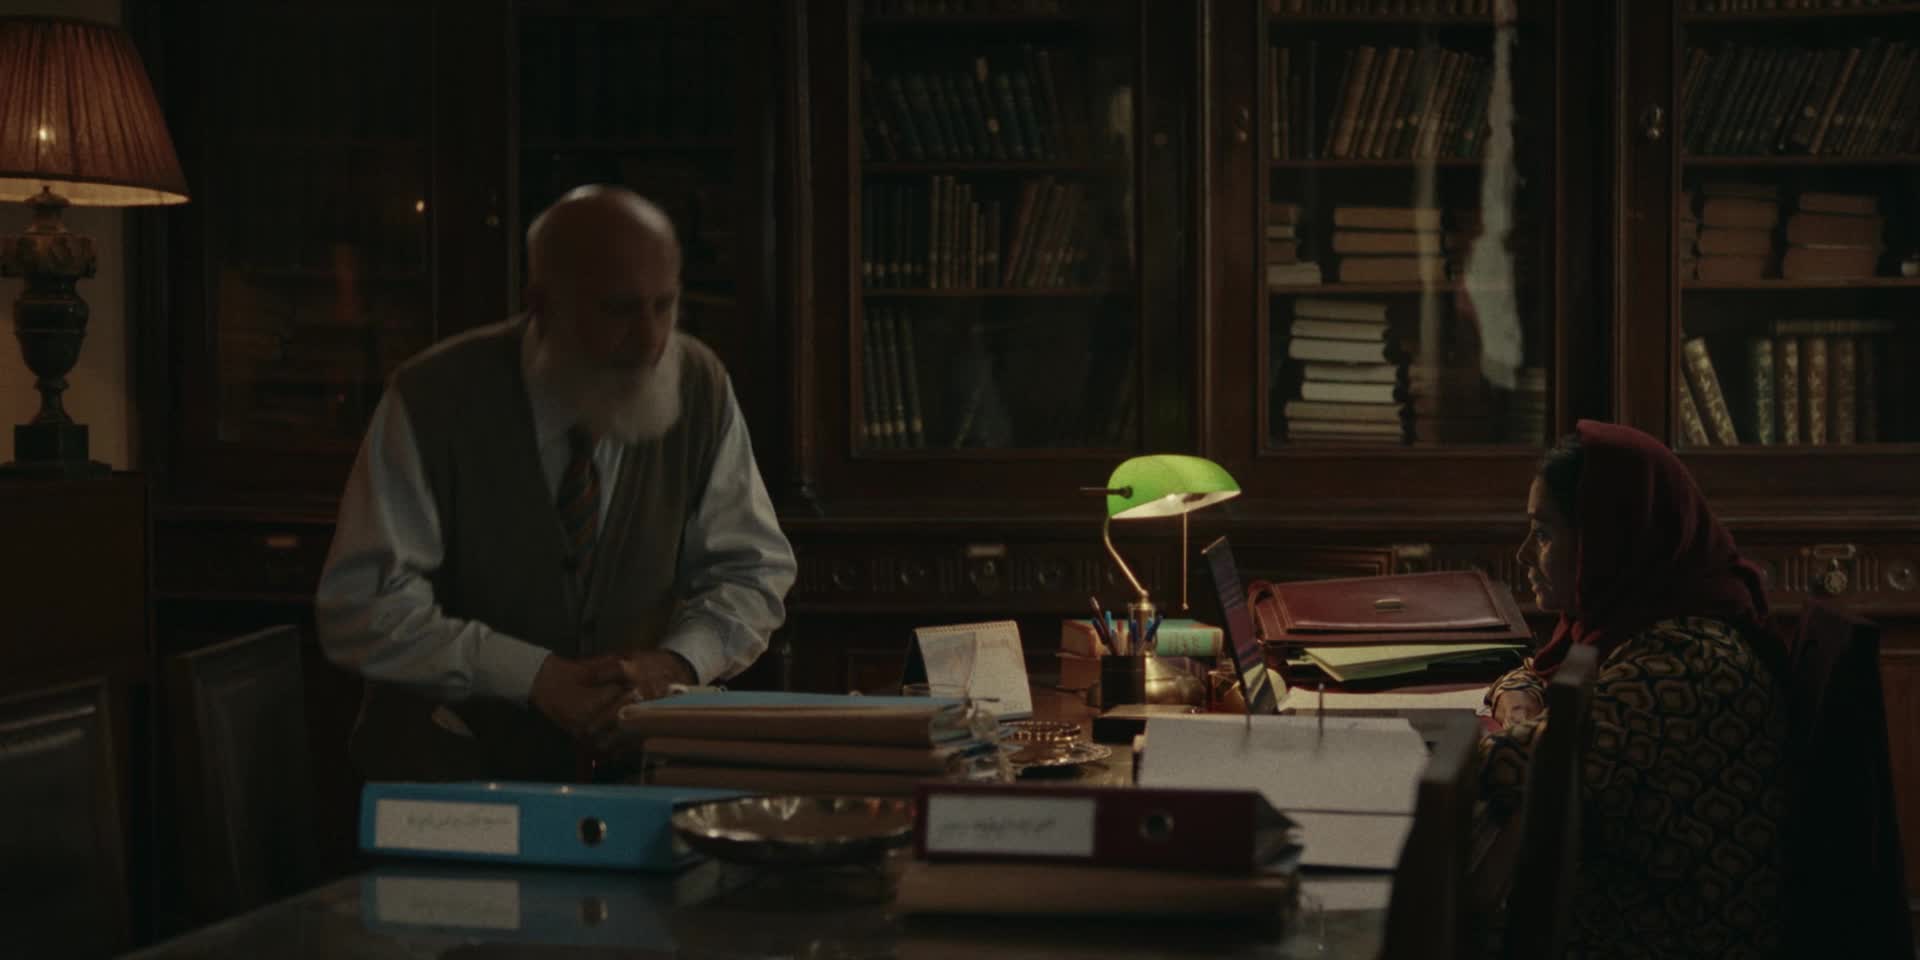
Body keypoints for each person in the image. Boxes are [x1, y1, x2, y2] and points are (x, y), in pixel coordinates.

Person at [316, 185, 797, 782]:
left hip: (637, 776)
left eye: (664, 306)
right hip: (449, 781)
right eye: (619, 310)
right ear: (541, 306)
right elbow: (362, 605)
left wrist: (676, 663)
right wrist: (532, 676)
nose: (650, 341)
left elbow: (751, 571)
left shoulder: (699, 385)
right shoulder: (432, 398)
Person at [1483, 420, 1790, 958]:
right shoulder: (1635, 617)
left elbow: (1513, 767)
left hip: (1662, 937)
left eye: (1545, 533)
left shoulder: (1680, 665)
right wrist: (1518, 698)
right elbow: (1535, 673)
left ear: (1608, 539)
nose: (1525, 555)